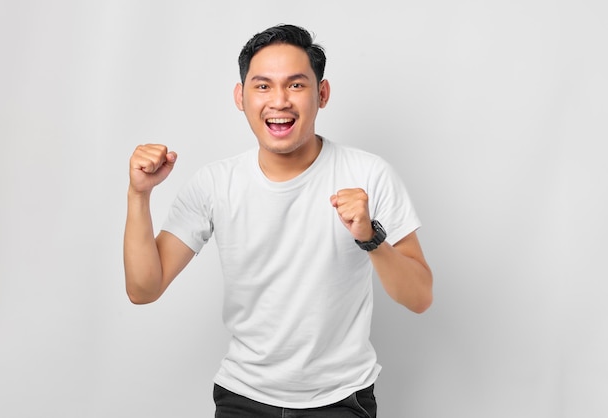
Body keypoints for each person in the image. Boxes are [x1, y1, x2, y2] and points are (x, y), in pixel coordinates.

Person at [124, 23, 433, 417]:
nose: (280, 101)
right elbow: (143, 289)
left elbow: (420, 297)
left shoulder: (369, 174)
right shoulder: (215, 183)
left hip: (340, 399)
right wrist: (139, 195)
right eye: (263, 86)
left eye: (297, 85)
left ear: (322, 94)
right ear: (241, 96)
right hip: (243, 397)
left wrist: (370, 237)